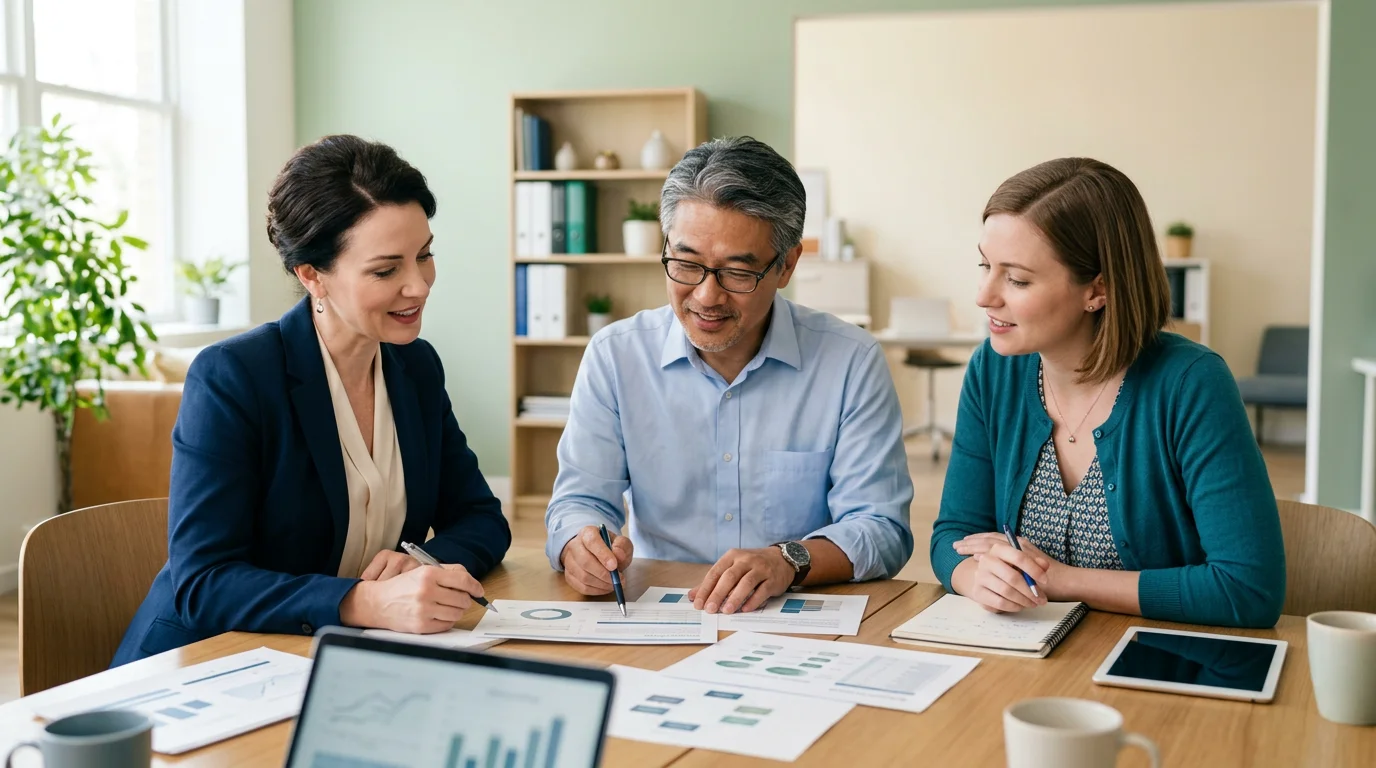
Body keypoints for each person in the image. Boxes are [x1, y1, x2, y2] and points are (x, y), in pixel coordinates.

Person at [113, 135, 511, 665]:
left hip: (339, 660)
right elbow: (204, 583)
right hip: (208, 664)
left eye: (425, 254)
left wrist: (424, 564)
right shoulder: (233, 377)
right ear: (312, 275)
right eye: (387, 269)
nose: (419, 285)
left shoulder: (416, 368)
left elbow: (483, 518)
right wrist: (361, 601)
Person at [545, 136, 914, 615]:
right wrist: (582, 544)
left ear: (787, 265)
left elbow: (882, 527)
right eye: (687, 264)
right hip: (661, 614)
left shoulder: (850, 361)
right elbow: (579, 499)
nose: (705, 296)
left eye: (737, 273)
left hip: (795, 618)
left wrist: (788, 559)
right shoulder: (616, 356)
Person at [930, 157, 1285, 629]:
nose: (984, 294)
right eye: (985, 265)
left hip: (1162, 666)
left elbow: (1247, 589)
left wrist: (1062, 581)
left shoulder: (1192, 384)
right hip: (1020, 661)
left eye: (1016, 279)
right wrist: (976, 575)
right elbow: (954, 535)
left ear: (1097, 289)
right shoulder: (993, 370)